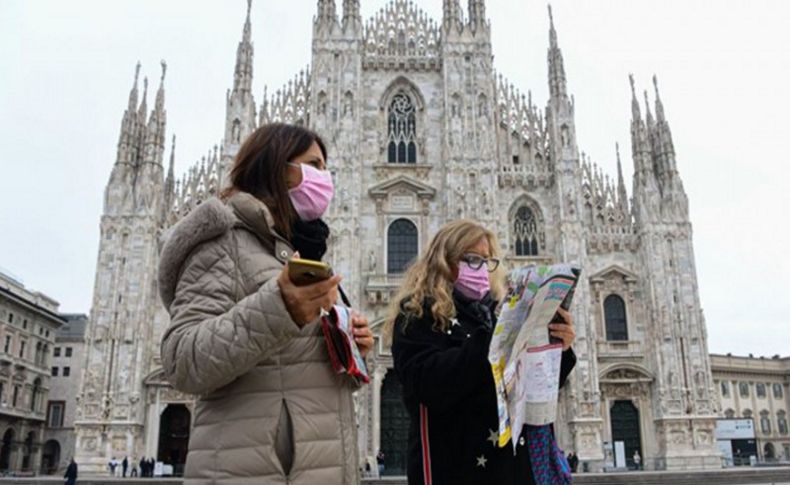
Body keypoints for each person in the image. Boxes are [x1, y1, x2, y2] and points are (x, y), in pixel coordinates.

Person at [159, 123, 374, 484]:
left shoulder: (300, 250)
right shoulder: (223, 241)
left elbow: (290, 370)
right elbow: (182, 361)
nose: (326, 177)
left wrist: (350, 348)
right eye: (314, 165)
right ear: (277, 167)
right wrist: (280, 310)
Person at [389, 220, 577, 485]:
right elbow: (427, 383)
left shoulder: (493, 312)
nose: (481, 269)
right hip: (455, 466)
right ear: (445, 260)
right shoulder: (417, 314)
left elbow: (528, 389)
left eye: (487, 261)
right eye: (472, 259)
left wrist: (559, 347)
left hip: (509, 467)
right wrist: (494, 339)